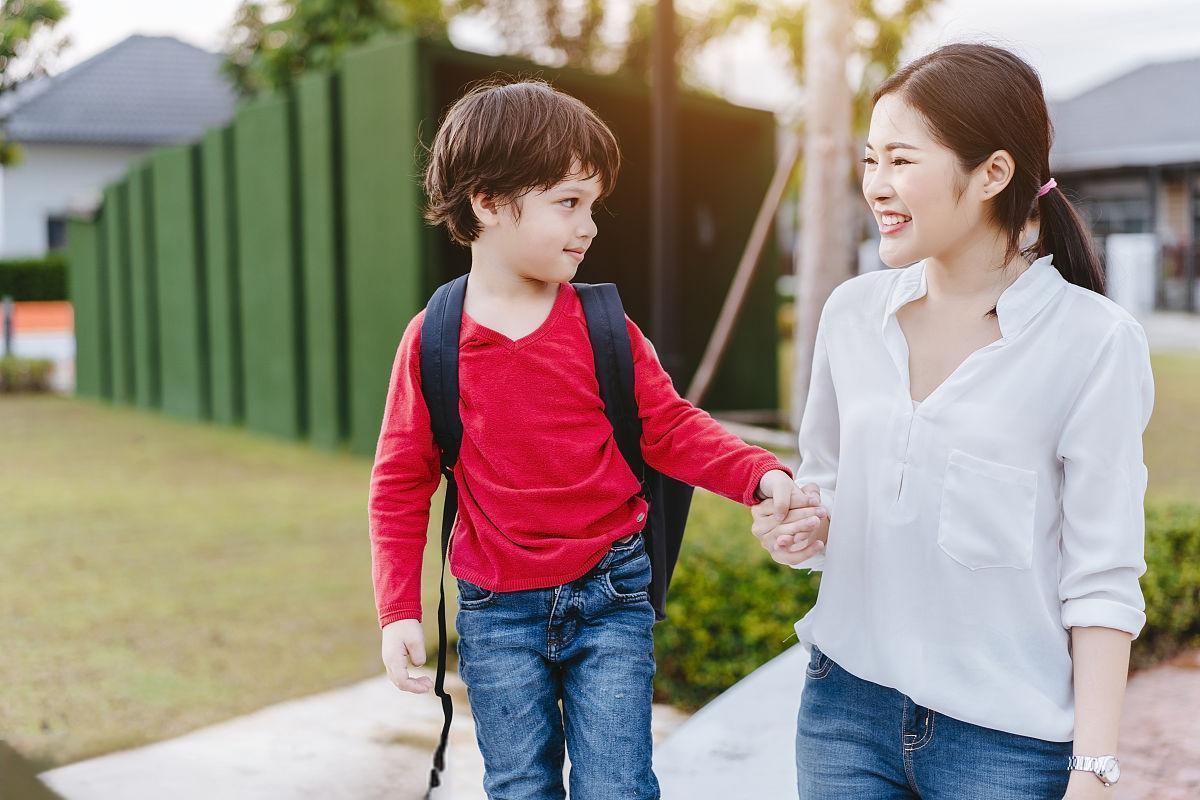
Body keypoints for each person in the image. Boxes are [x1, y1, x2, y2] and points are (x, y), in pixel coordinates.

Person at [369, 78, 805, 800]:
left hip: (611, 596)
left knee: (618, 787)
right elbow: (399, 485)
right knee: (518, 787)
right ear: (488, 202)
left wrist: (759, 474)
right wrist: (398, 613)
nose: (589, 225)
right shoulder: (433, 342)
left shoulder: (604, 328)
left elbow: (670, 428)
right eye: (568, 203)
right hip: (496, 611)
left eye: (591, 205)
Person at [753, 43, 1154, 799]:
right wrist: (804, 525)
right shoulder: (852, 314)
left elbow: (1102, 578)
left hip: (1005, 747)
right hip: (844, 712)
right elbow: (830, 486)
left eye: (901, 160)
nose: (876, 185)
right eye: (871, 160)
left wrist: (1094, 772)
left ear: (993, 173)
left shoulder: (1095, 343)